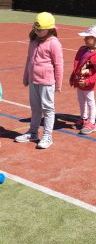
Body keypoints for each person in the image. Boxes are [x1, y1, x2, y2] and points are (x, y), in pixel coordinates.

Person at [15, 12, 64, 149]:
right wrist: (26, 76)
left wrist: (58, 83)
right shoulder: (33, 41)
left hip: (46, 82)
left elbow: (59, 64)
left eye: (40, 30)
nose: (37, 32)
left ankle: (47, 136)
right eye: (36, 29)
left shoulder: (54, 43)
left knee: (48, 109)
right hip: (33, 80)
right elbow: (29, 59)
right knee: (35, 108)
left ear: (49, 29)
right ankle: (33, 132)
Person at [69, 25, 96, 134]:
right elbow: (78, 65)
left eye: (87, 37)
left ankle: (92, 123)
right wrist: (73, 76)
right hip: (79, 82)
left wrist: (88, 81)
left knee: (90, 102)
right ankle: (83, 119)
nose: (84, 39)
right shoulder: (84, 50)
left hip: (88, 84)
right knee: (81, 101)